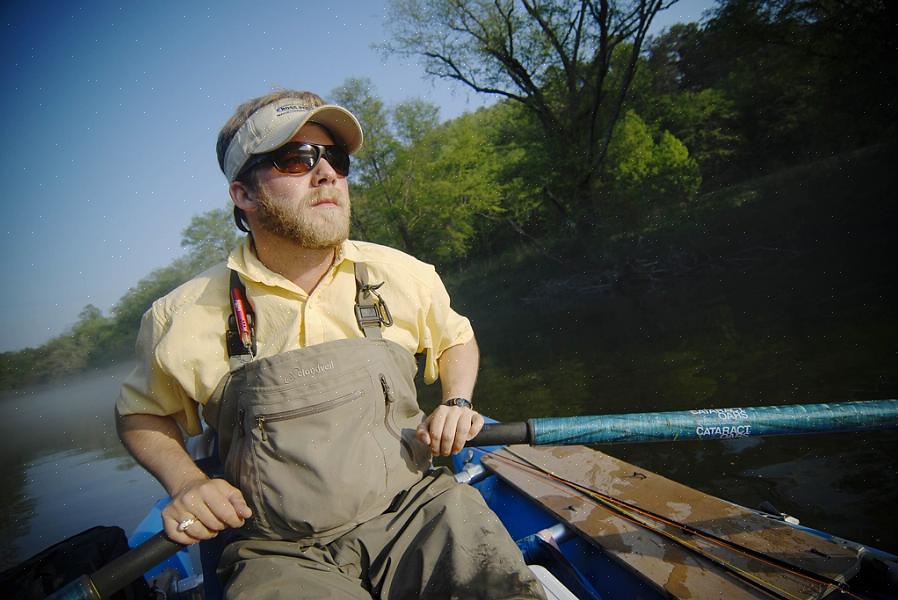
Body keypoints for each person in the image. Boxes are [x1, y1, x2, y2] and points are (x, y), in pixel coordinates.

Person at [116, 89, 545, 599]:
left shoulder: (401, 273)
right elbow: (140, 415)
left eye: (335, 160)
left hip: (419, 512)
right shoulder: (178, 316)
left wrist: (456, 400)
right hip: (277, 551)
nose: (327, 175)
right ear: (243, 195)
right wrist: (187, 485)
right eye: (296, 159)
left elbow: (457, 339)